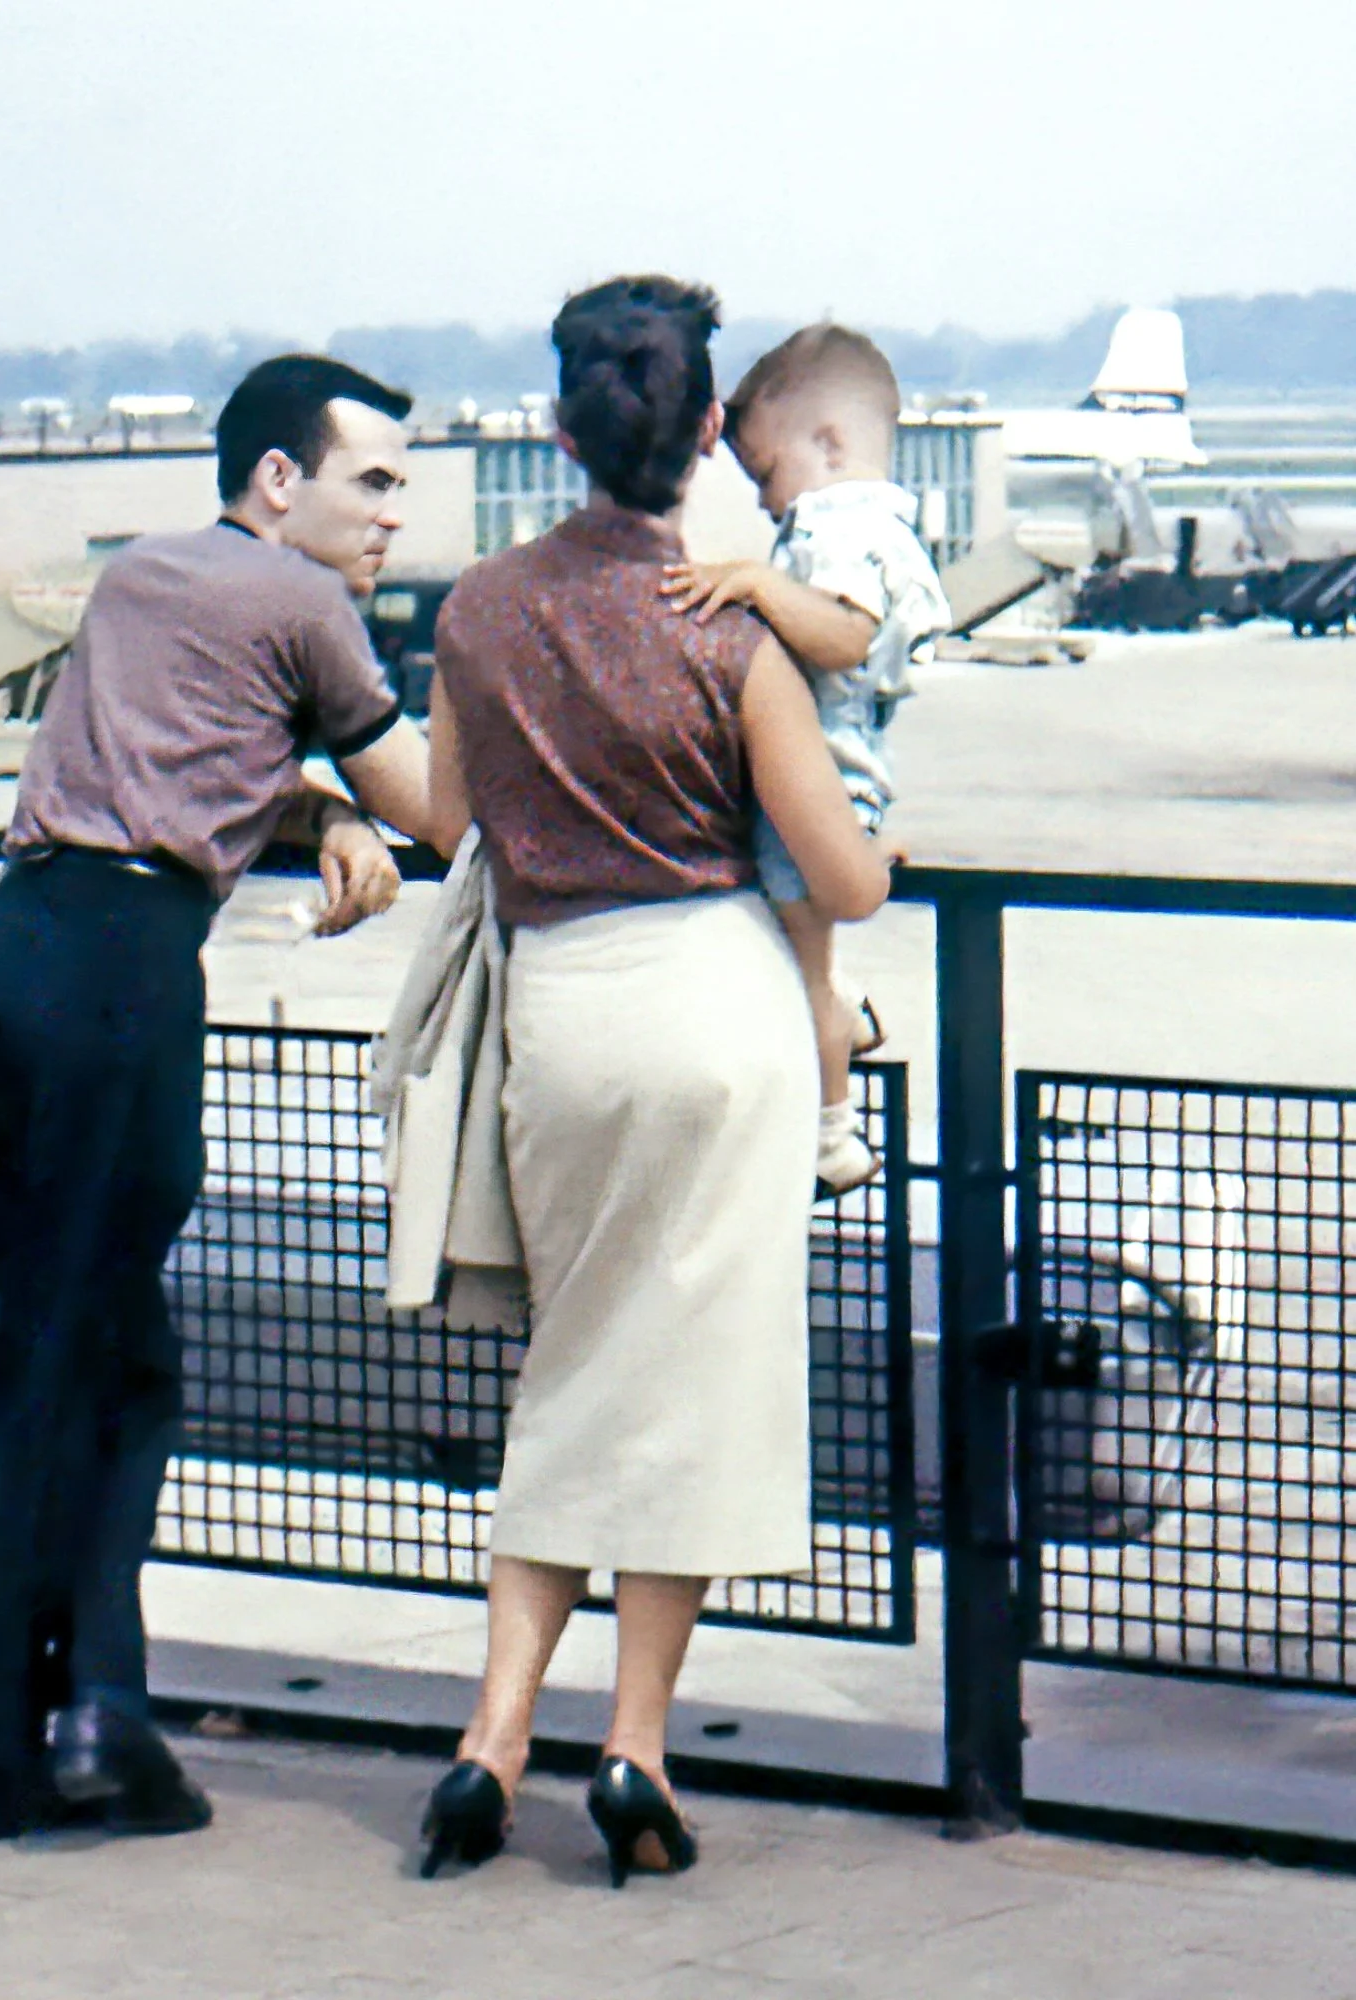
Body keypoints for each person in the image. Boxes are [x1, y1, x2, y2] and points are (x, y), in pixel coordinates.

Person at [415, 277, 891, 1886]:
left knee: (576, 1369)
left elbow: (446, 821)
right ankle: (633, 1750)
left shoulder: (479, 608)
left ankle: (489, 1740)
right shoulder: (727, 617)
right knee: (686, 1396)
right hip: (718, 1009)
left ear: (557, 432)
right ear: (704, 434)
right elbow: (839, 872)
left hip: (565, 1016)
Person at [0, 354, 435, 1844]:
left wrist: (309, 803)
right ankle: (29, 1740)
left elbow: (195, 746)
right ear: (280, 480)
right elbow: (442, 806)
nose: (393, 517)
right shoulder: (305, 603)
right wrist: (354, 804)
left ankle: (75, 1715)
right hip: (120, 982)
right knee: (102, 1371)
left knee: (66, 1341)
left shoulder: (144, 576)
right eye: (374, 482)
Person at [660, 324, 951, 1194]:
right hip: (832, 789)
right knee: (801, 948)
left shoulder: (837, 527)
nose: (761, 501)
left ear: (828, 446)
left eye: (764, 475)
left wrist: (754, 583)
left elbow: (843, 636)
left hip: (814, 791)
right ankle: (851, 1008)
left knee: (803, 976)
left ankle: (834, 1139)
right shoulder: (865, 524)